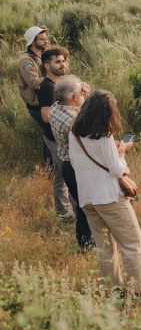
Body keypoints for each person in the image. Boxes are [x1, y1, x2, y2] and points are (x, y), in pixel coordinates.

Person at [69, 90, 141, 293]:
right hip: (108, 198)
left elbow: (74, 162)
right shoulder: (104, 135)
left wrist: (111, 154)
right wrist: (121, 152)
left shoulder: (74, 133)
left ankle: (112, 290)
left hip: (87, 198)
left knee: (104, 247)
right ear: (108, 113)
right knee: (133, 244)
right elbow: (116, 169)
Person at [48, 75, 93, 249]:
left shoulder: (55, 108)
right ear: (75, 97)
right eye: (81, 92)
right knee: (84, 208)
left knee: (81, 206)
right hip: (76, 168)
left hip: (65, 164)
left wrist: (84, 95)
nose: (83, 94)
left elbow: (78, 108)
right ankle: (85, 244)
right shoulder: (74, 122)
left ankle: (87, 240)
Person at [38, 46, 73, 219]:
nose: (62, 65)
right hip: (55, 138)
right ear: (46, 65)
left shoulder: (58, 83)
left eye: (63, 61)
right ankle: (71, 211)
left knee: (60, 175)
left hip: (57, 137)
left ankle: (63, 211)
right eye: (57, 62)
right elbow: (45, 116)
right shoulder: (47, 88)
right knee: (68, 174)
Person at [18, 26, 50, 166]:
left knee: (49, 134)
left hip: (44, 102)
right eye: (42, 39)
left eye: (45, 38)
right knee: (51, 134)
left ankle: (49, 165)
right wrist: (52, 76)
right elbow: (34, 83)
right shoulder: (26, 60)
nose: (45, 41)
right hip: (36, 105)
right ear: (32, 42)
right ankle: (50, 167)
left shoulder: (39, 57)